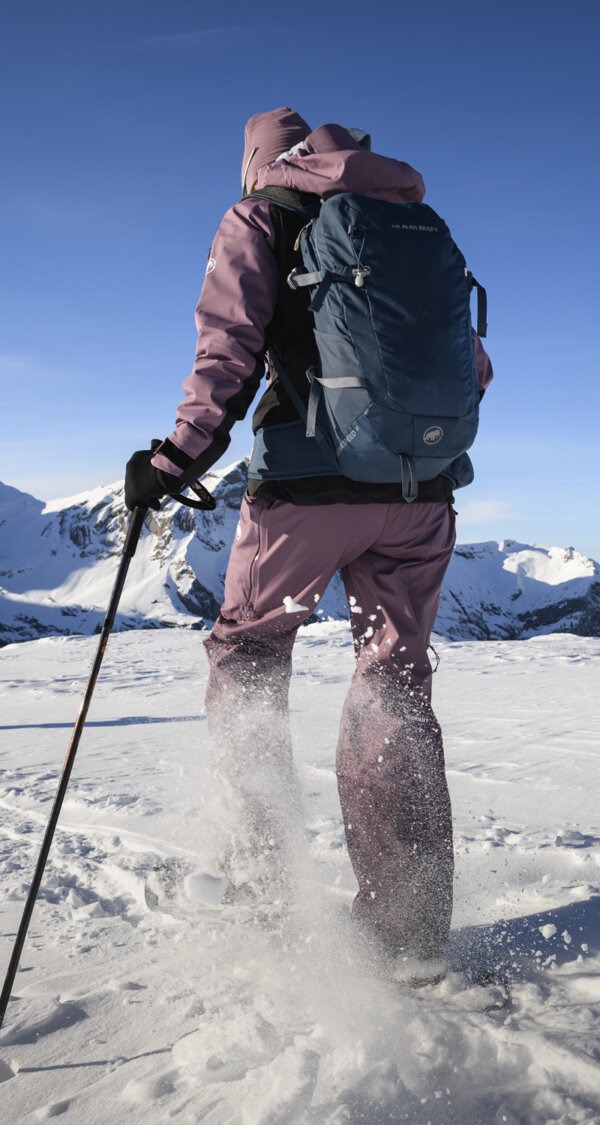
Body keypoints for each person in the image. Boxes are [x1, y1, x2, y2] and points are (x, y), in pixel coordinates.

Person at [125, 107, 493, 970]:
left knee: (249, 653)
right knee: (394, 681)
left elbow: (227, 353)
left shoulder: (261, 216)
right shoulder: (414, 221)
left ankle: (258, 875)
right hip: (422, 494)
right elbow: (471, 367)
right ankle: (407, 933)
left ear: (259, 161)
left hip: (304, 492)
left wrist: (174, 458)